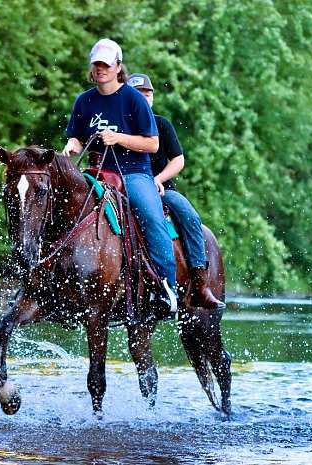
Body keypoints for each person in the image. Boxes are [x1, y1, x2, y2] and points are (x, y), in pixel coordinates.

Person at [62, 38, 177, 313]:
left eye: (105, 64)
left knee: (151, 216)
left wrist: (119, 138)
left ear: (117, 67)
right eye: (96, 64)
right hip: (96, 170)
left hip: (134, 173)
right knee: (62, 204)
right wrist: (72, 145)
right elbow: (76, 136)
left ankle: (166, 288)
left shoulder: (133, 99)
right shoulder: (84, 101)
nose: (100, 69)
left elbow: (152, 144)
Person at [127, 73, 225, 310]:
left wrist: (158, 180)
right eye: (138, 95)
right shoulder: (120, 128)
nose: (144, 98)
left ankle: (200, 283)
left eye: (147, 94)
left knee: (189, 216)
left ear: (152, 98)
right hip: (124, 188)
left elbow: (178, 160)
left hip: (163, 190)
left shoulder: (161, 124)